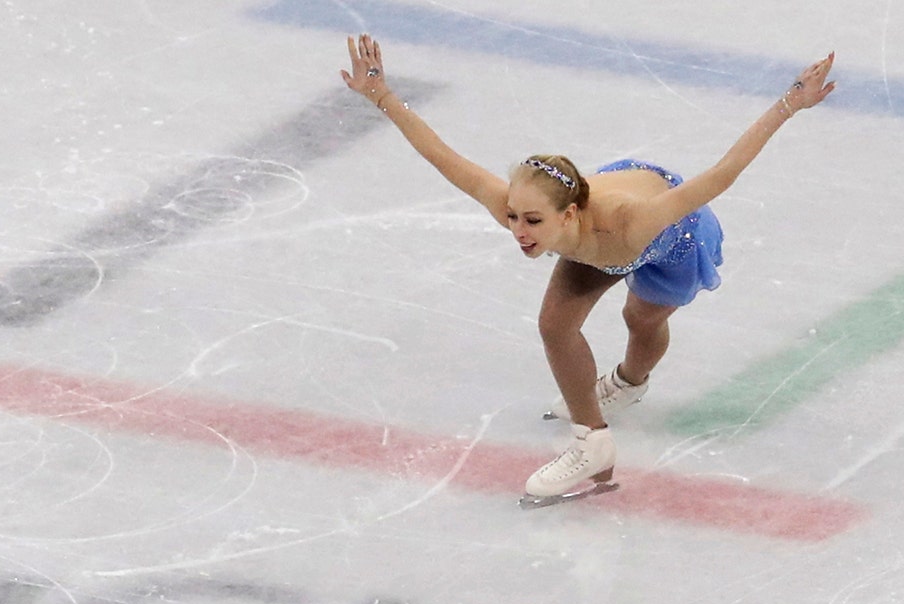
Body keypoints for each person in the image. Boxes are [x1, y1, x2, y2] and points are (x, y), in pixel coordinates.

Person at [338, 34, 837, 505]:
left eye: (532, 221)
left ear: (568, 214)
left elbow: (722, 175)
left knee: (642, 321)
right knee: (555, 324)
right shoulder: (525, 210)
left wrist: (790, 102)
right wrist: (381, 95)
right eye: (513, 217)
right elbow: (445, 158)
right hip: (592, 238)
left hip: (674, 238)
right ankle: (591, 442)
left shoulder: (629, 222)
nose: (518, 231)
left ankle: (630, 382)